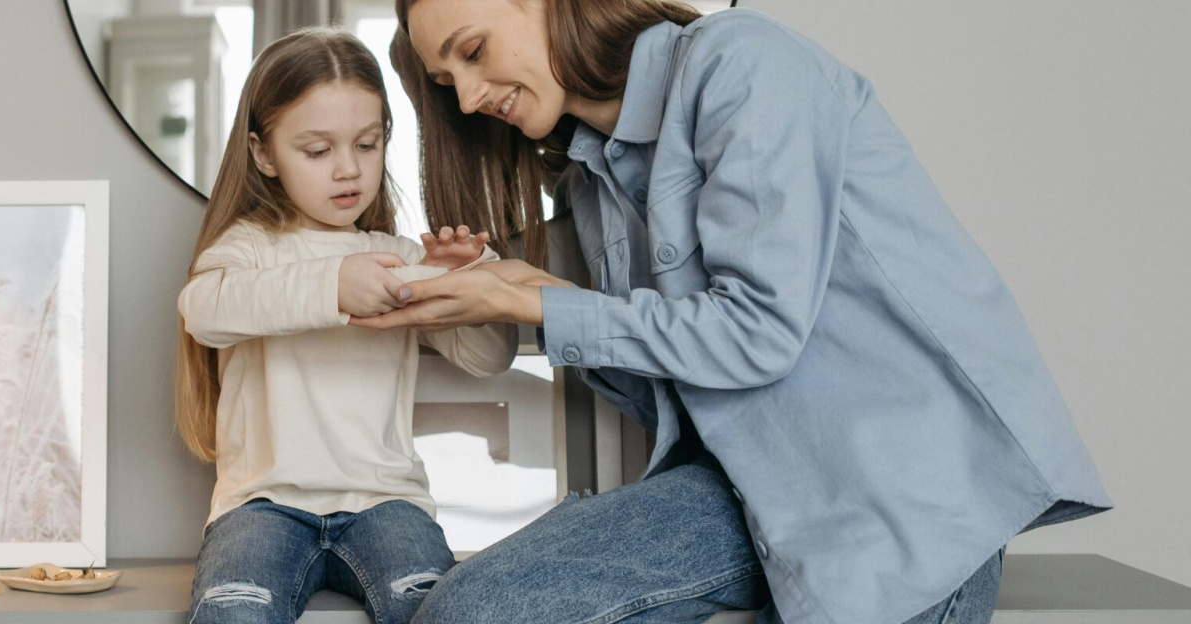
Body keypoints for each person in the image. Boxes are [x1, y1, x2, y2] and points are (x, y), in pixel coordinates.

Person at [362, 2, 1114, 623]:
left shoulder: (741, 62)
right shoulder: (589, 181)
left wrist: (536, 298)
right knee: (476, 612)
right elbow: (655, 385)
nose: (465, 98)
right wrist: (504, 285)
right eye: (444, 79)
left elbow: (759, 332)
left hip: (891, 490)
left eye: (472, 51)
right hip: (737, 486)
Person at [174, 27, 518, 624]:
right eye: (317, 150)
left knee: (441, 608)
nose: (347, 170)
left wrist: (476, 283)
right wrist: (332, 285)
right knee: (233, 611)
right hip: (261, 506)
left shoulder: (401, 256)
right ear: (263, 153)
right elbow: (204, 309)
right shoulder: (250, 247)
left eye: (366, 144)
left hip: (388, 504)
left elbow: (487, 357)